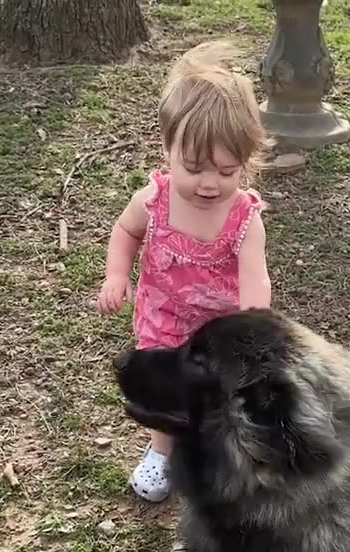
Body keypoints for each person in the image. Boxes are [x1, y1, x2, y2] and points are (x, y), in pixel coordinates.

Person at [96, 40, 273, 503]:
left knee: (220, 391)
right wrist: (118, 274)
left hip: (219, 325)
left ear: (245, 162)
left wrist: (253, 324)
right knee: (164, 387)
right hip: (165, 314)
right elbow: (125, 231)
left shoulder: (244, 218)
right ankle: (161, 451)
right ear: (166, 148)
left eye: (227, 170)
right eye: (193, 168)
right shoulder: (152, 200)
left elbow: (256, 277)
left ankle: (216, 448)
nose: (209, 183)